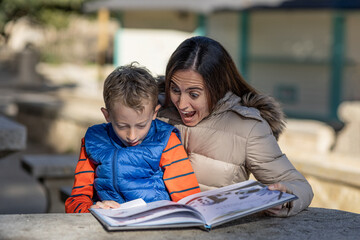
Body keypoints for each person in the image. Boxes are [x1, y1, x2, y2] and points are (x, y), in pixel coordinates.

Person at [157, 36, 313, 217]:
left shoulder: (247, 127)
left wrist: (285, 197)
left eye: (194, 94)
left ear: (217, 88)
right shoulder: (151, 110)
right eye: (175, 90)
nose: (182, 104)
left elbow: (300, 186)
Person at [65, 63, 200, 213]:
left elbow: (189, 199)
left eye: (141, 125)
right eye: (122, 126)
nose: (132, 136)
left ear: (154, 113)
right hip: (109, 223)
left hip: (154, 222)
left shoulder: (165, 140)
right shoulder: (93, 141)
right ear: (107, 115)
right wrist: (92, 210)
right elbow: (76, 200)